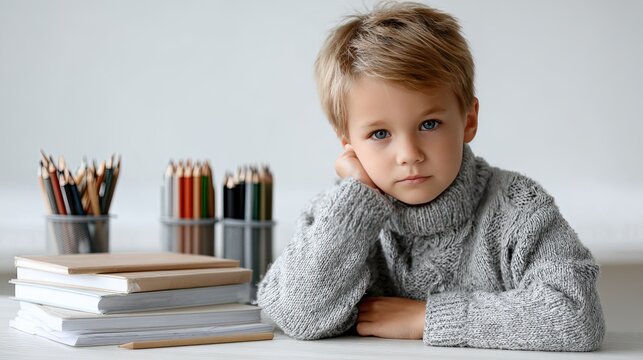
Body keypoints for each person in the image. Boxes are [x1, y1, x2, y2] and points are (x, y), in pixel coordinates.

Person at [257, 1, 604, 351]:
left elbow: (577, 315)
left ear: (468, 120)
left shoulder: (517, 207)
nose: (409, 154)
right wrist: (358, 195)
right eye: (380, 134)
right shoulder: (339, 216)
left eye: (429, 124)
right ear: (347, 142)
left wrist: (426, 318)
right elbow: (295, 314)